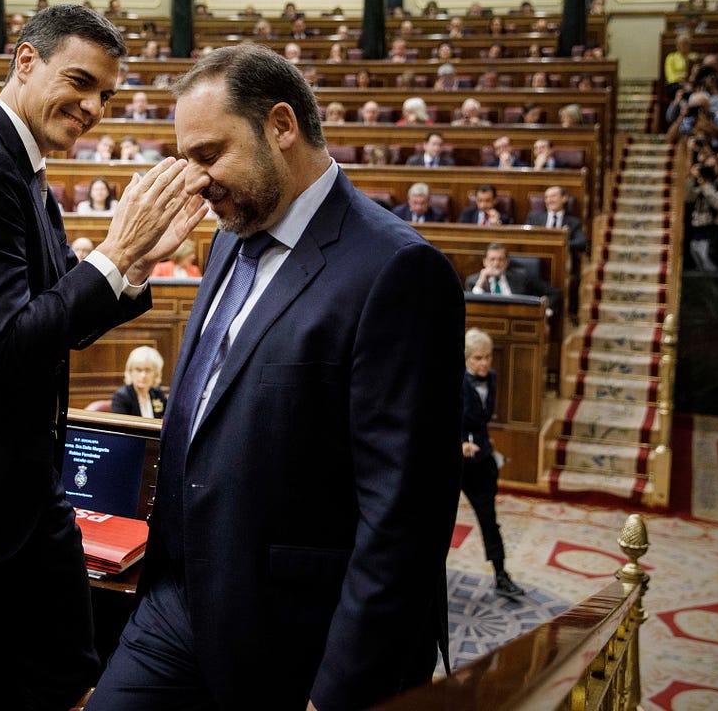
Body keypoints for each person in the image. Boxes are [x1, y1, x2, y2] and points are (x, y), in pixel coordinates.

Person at [89, 42, 463, 710]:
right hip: (179, 601)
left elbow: (403, 517)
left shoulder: (398, 270)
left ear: (282, 126)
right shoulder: (232, 236)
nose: (195, 181)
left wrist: (342, 691)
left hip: (295, 632)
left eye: (208, 155)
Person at [0, 4, 204, 711]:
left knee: (61, 665)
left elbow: (54, 321)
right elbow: (9, 342)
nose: (93, 108)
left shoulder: (23, 168)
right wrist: (113, 253)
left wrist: (134, 264)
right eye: (80, 82)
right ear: (26, 61)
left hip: (15, 475)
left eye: (106, 97)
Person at [460, 328, 525, 600]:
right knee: (436, 523)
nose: (484, 363)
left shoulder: (493, 378)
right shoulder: (453, 381)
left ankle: (501, 575)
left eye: (487, 357)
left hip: (481, 459)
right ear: (465, 359)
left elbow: (482, 419)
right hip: (453, 461)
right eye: (477, 358)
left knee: (490, 520)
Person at [684, 149, 718, 272]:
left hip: (715, 235)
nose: (709, 169)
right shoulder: (702, 183)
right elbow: (688, 198)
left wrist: (706, 186)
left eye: (712, 166)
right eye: (706, 166)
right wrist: (691, 178)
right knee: (699, 268)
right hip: (697, 232)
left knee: (712, 271)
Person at [526, 185, 588, 258]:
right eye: (546, 197)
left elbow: (582, 243)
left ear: (564, 198)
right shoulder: (534, 217)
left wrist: (559, 245)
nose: (549, 200)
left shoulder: (574, 222)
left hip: (562, 258)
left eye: (553, 196)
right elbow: (526, 238)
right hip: (537, 257)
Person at [466, 242, 545, 297]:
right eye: (492, 259)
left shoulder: (521, 277)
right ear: (484, 262)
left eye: (500, 259)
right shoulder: (472, 281)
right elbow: (471, 307)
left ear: (507, 262)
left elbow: (551, 293)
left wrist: (546, 313)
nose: (496, 264)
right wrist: (481, 281)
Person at [110, 345, 167, 419]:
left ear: (156, 373)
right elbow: (118, 428)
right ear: (130, 372)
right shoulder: (122, 397)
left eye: (148, 370)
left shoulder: (157, 393)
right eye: (138, 370)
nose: (143, 375)